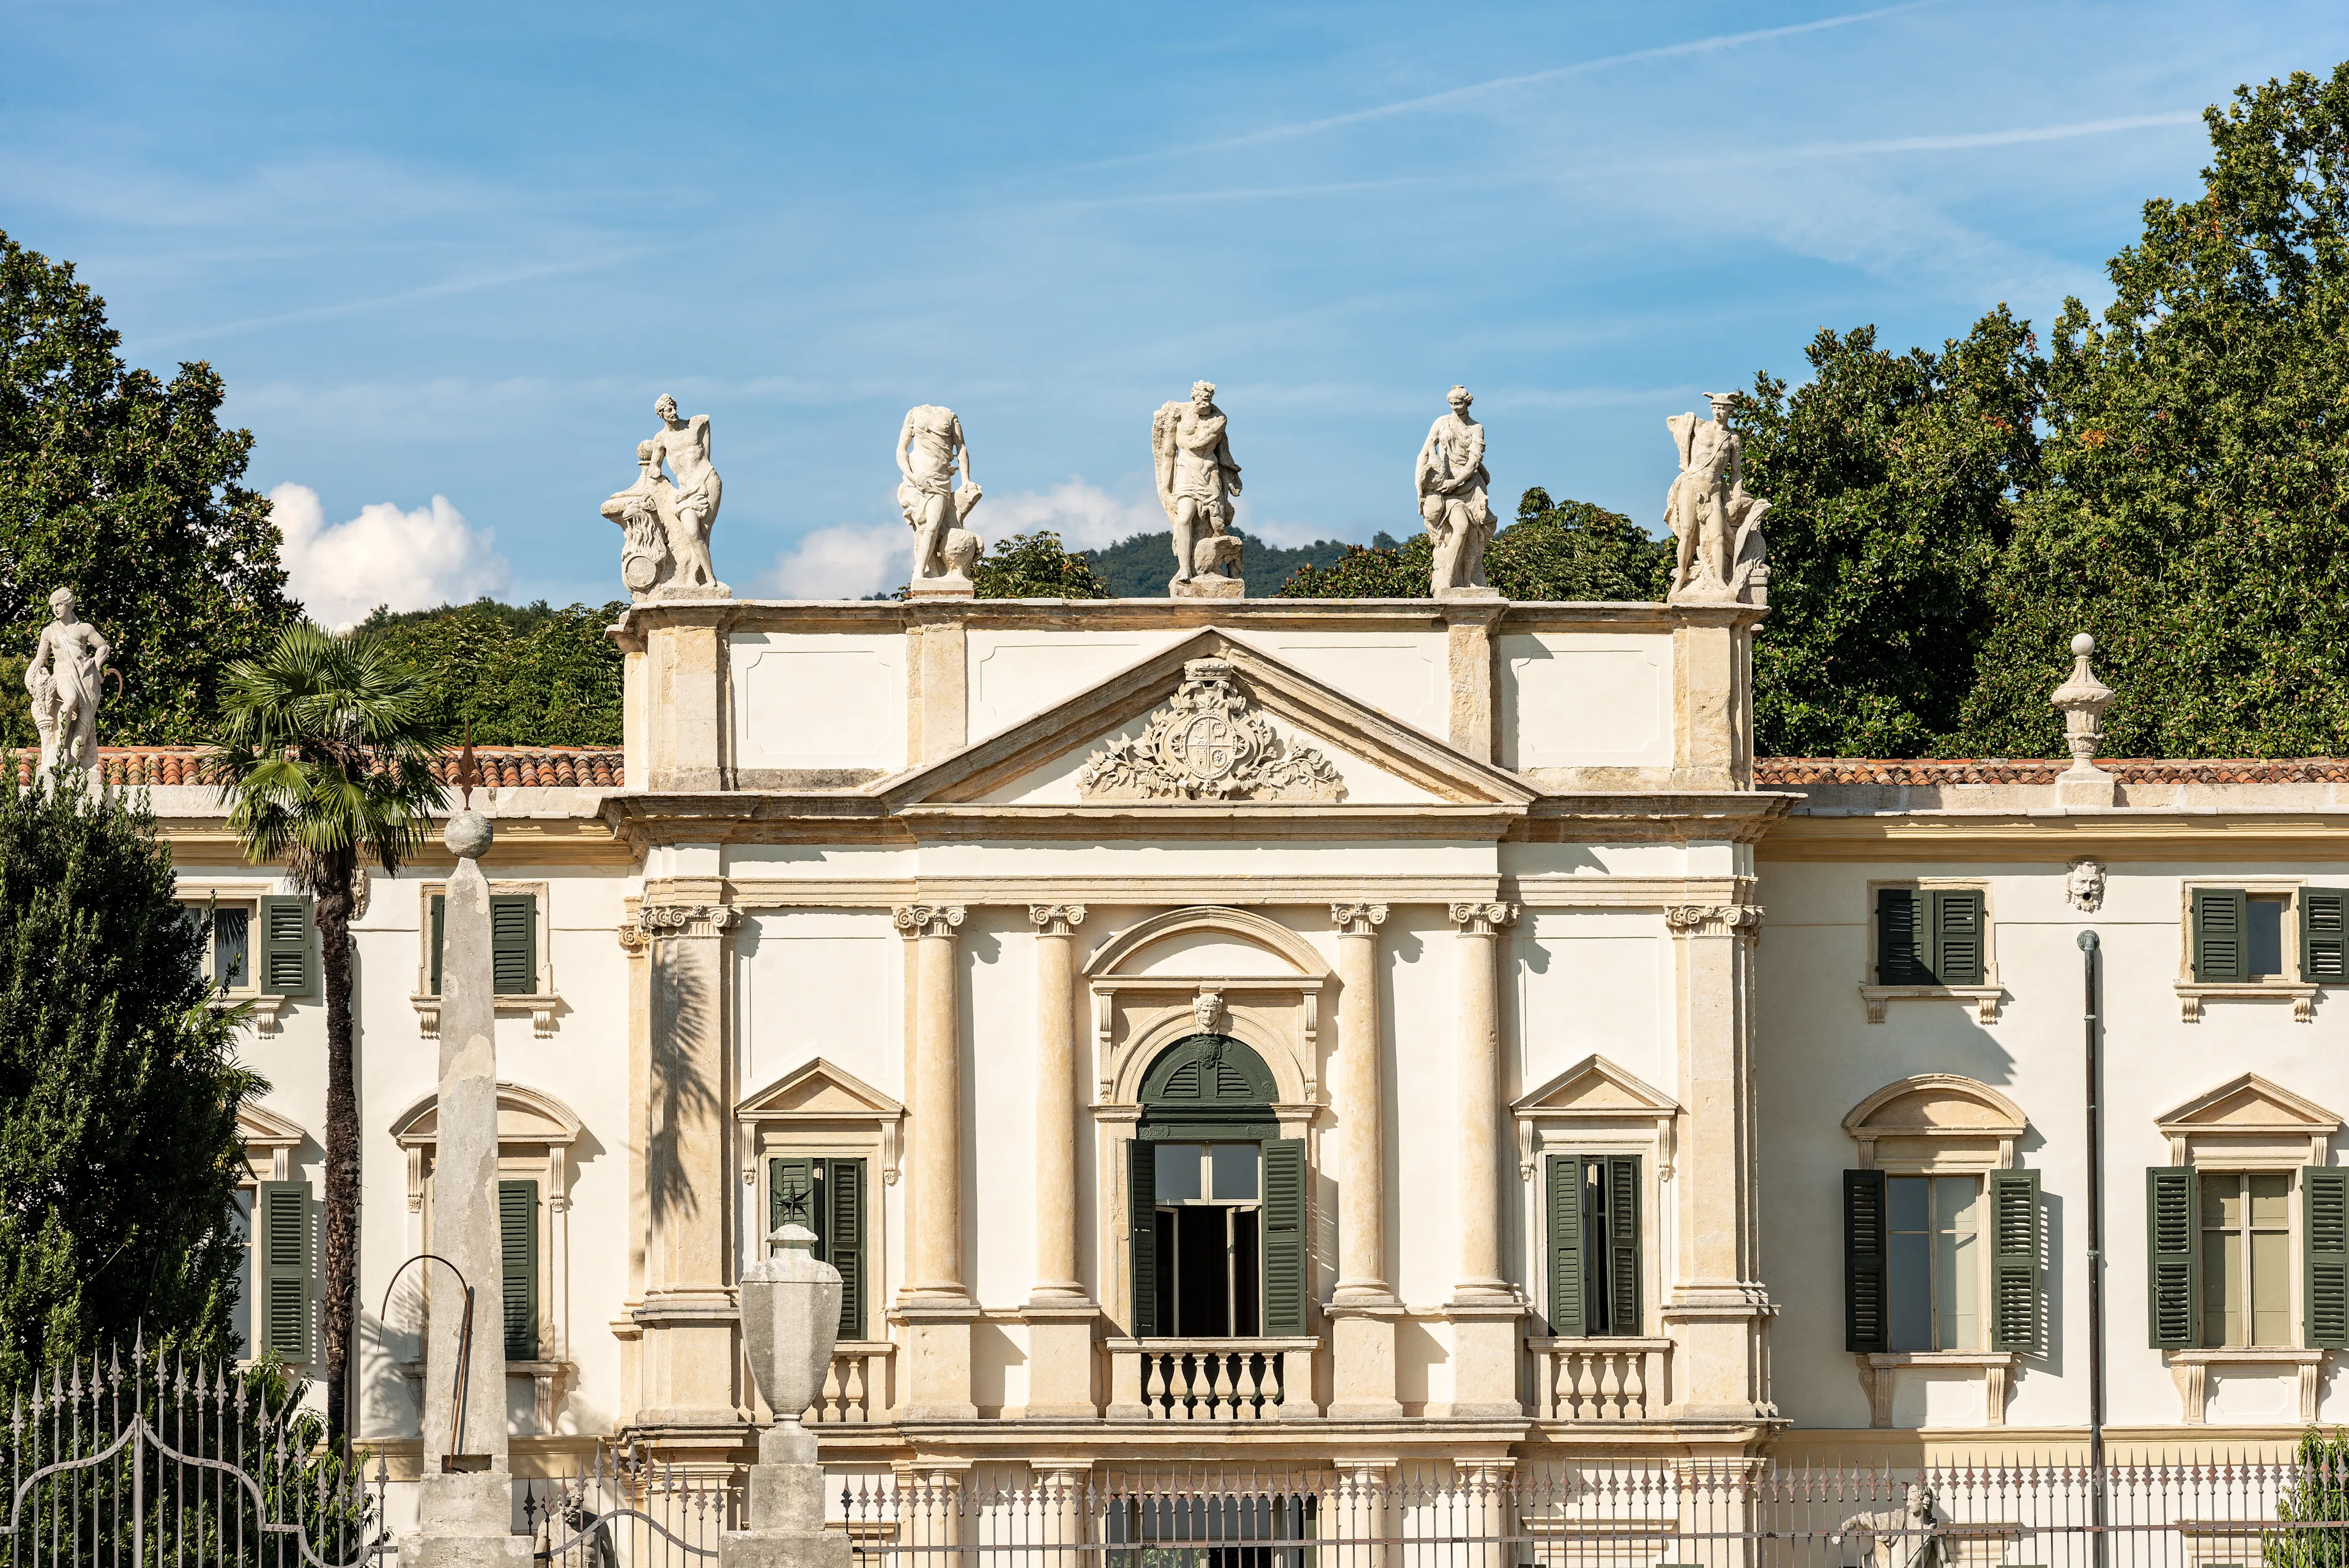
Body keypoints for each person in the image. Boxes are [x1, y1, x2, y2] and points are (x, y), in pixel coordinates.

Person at [1154, 382, 1243, 584]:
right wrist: (1166, 488)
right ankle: (1185, 570)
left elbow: (1210, 445)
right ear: (1194, 398)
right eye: (1202, 399)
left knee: (1218, 524)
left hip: (1209, 472)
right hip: (1186, 472)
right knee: (1184, 518)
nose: (1205, 403)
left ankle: (1224, 562)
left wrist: (1230, 475)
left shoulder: (1219, 419)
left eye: (1209, 400)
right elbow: (1168, 454)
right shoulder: (1179, 416)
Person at [25, 586, 108, 784]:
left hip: (86, 679)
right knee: (69, 699)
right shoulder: (49, 632)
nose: (55, 609)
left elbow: (103, 647)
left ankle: (74, 762)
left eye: (59, 605)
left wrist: (95, 667)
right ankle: (59, 746)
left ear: (70, 605)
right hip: (62, 675)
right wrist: (31, 673)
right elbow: (41, 658)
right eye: (53, 606)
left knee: (84, 725)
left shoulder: (84, 629)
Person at [1417, 385, 1493, 590]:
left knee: (1474, 536)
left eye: (1458, 403)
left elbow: (1474, 461)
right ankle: (1449, 582)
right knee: (1461, 528)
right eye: (1451, 404)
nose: (1455, 407)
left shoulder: (1476, 428)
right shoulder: (1442, 422)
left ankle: (1469, 580)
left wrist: (1457, 480)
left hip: (1471, 486)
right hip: (1447, 489)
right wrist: (1420, 490)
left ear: (1467, 403)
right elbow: (1424, 453)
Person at [647, 395, 724, 593]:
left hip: (707, 480)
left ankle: (703, 579)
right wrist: (657, 474)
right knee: (692, 532)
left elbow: (706, 454)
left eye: (674, 408)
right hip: (685, 490)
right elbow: (654, 468)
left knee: (704, 532)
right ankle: (704, 576)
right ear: (661, 415)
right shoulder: (661, 439)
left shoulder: (697, 424)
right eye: (668, 410)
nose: (673, 412)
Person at [896, 406, 982, 581]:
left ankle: (922, 570)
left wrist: (965, 480)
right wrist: (911, 476)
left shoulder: (950, 417)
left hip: (940, 480)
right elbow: (901, 450)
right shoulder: (914, 414)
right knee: (921, 526)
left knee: (933, 525)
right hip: (916, 480)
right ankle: (925, 571)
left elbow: (962, 449)